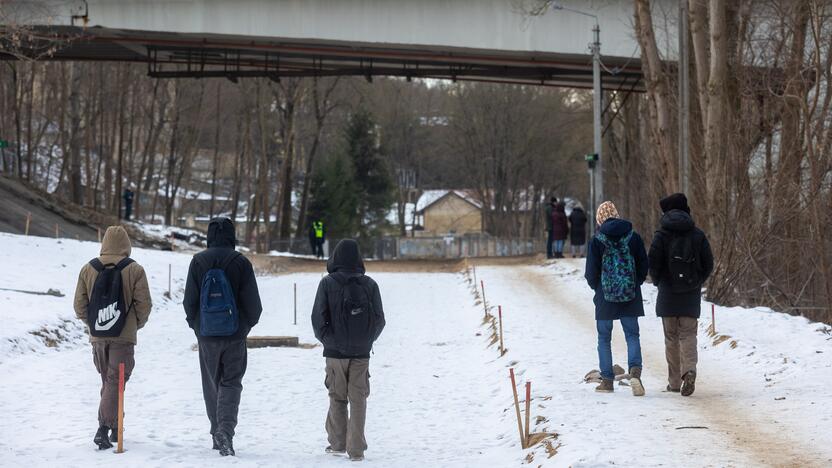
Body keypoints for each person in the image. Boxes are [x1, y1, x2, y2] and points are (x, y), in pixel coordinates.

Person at [184, 217, 262, 456]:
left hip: (207, 336)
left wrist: (198, 327)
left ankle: (216, 432)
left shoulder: (198, 261)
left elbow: (189, 303)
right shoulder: (241, 262)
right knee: (231, 382)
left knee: (211, 384)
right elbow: (254, 306)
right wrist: (244, 328)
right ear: (232, 235)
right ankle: (226, 431)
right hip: (235, 335)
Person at [73, 225, 152, 450]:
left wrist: (94, 324)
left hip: (98, 337)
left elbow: (79, 306)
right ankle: (104, 428)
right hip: (123, 337)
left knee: (109, 381)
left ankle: (116, 428)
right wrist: (134, 326)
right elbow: (144, 305)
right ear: (127, 245)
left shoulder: (88, 268)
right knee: (114, 381)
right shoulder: (134, 269)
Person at [311, 239, 385, 462]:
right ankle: (356, 451)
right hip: (362, 354)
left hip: (334, 354)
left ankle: (337, 443)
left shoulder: (327, 283)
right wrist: (367, 340)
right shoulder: (370, 285)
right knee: (359, 399)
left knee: (337, 396)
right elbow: (380, 319)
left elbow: (317, 319)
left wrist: (328, 341)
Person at [648, 193, 714, 396]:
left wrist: (660, 282)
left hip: (667, 294)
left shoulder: (661, 235)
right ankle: (690, 370)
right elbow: (709, 263)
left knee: (671, 338)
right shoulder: (698, 235)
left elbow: (653, 263)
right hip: (690, 294)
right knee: (688, 335)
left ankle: (675, 382)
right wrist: (696, 281)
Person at [584, 201, 648, 396]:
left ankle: (607, 381)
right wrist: (634, 284)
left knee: (604, 338)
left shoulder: (597, 241)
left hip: (605, 297)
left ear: (599, 219)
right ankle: (635, 373)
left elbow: (590, 273)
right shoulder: (633, 237)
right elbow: (644, 266)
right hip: (630, 295)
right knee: (632, 335)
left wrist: (599, 288)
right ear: (617, 215)